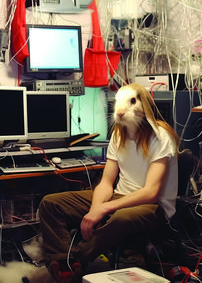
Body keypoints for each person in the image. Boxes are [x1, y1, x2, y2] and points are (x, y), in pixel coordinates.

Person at [39, 83, 180, 283]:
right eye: (118, 103)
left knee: (121, 218)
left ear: (145, 104)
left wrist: (105, 209)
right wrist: (96, 209)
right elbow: (106, 182)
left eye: (131, 102)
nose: (120, 111)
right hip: (120, 197)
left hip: (154, 207)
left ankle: (73, 262)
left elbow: (151, 192)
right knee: (51, 204)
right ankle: (63, 264)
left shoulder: (160, 136)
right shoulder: (118, 134)